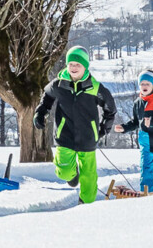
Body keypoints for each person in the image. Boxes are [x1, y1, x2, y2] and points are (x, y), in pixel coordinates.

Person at [33, 46, 115, 204]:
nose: (74, 67)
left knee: (89, 175)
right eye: (71, 64)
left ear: (85, 66)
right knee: (63, 171)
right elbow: (47, 97)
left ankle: (86, 204)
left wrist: (104, 128)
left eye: (78, 64)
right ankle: (72, 175)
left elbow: (110, 108)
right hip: (65, 135)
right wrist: (40, 112)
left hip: (88, 137)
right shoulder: (58, 84)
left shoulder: (95, 87)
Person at [114, 69, 153, 194]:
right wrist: (125, 128)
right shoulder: (138, 103)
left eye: (147, 84)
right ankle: (146, 195)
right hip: (146, 140)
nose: (144, 86)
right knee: (146, 170)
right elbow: (136, 122)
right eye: (142, 84)